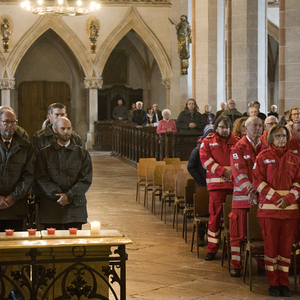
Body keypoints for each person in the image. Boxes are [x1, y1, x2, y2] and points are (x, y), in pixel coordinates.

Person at [253, 125, 300, 297]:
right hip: (269, 211)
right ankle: (273, 283)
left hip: (290, 212)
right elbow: (257, 182)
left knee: (286, 249)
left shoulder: (294, 159)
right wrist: (275, 198)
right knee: (271, 248)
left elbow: (298, 182)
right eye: (278, 136)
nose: (282, 139)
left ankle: (284, 283)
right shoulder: (262, 157)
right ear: (271, 138)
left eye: (284, 136)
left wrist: (288, 199)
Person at [35, 117, 93, 230]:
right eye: (62, 128)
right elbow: (41, 179)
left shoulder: (82, 154)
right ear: (55, 130)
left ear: (72, 129)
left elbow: (85, 180)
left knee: (73, 244)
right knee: (51, 244)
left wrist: (69, 196)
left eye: (68, 128)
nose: (66, 132)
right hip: (51, 206)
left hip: (75, 206)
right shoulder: (44, 153)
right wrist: (59, 196)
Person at [229, 117, 267, 277]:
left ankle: (261, 265)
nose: (258, 128)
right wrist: (249, 190)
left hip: (260, 197)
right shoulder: (238, 148)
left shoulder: (265, 147)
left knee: (259, 233)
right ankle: (236, 265)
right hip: (241, 199)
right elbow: (238, 172)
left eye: (260, 126)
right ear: (246, 127)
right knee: (238, 234)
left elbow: (267, 170)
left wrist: (258, 188)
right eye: (254, 125)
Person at [200, 115, 238, 261]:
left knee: (233, 220)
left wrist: (232, 175)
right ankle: (212, 249)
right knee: (214, 218)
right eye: (222, 127)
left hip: (234, 187)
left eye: (227, 127)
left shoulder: (237, 142)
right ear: (216, 128)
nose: (225, 130)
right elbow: (205, 161)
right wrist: (223, 172)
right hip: (216, 186)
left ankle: (230, 249)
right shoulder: (208, 142)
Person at [0, 108, 34, 232]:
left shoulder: (26, 146)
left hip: (16, 207)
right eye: (6, 122)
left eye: (13, 122)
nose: (10, 125)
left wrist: (13, 197)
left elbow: (28, 176)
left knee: (15, 246)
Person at [187, 124, 214, 247]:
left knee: (213, 213)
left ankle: (212, 236)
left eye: (213, 135)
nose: (211, 137)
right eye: (209, 135)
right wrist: (201, 180)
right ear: (204, 135)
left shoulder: (216, 149)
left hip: (214, 184)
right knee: (203, 212)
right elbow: (191, 167)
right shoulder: (197, 150)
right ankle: (200, 236)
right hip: (202, 185)